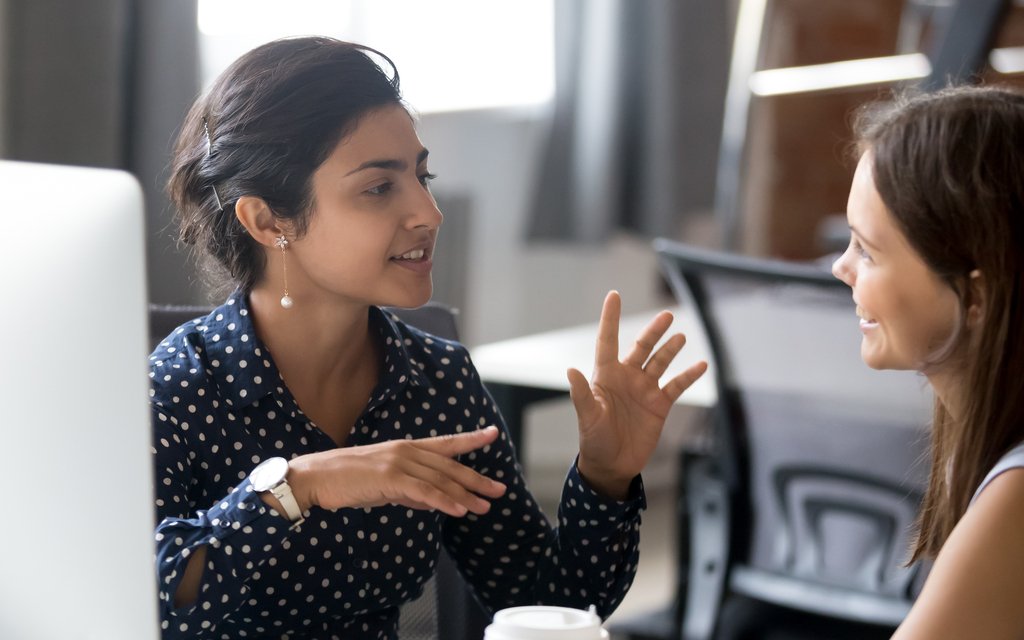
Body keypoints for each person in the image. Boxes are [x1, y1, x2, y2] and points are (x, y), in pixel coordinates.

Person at [151, 36, 707, 639]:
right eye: (378, 187)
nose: (429, 212)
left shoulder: (437, 382)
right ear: (268, 221)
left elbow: (546, 601)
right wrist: (301, 486)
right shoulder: (180, 388)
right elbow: (148, 597)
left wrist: (604, 475)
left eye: (423, 175)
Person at [832, 84, 1024, 639]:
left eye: (867, 250)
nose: (842, 268)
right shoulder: (979, 444)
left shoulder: (1016, 498)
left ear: (977, 298)